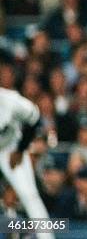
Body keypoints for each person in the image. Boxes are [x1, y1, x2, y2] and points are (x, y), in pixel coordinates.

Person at [0, 87, 54, 239]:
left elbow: (35, 119)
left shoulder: (11, 101)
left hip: (9, 148)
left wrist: (20, 149)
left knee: (29, 195)